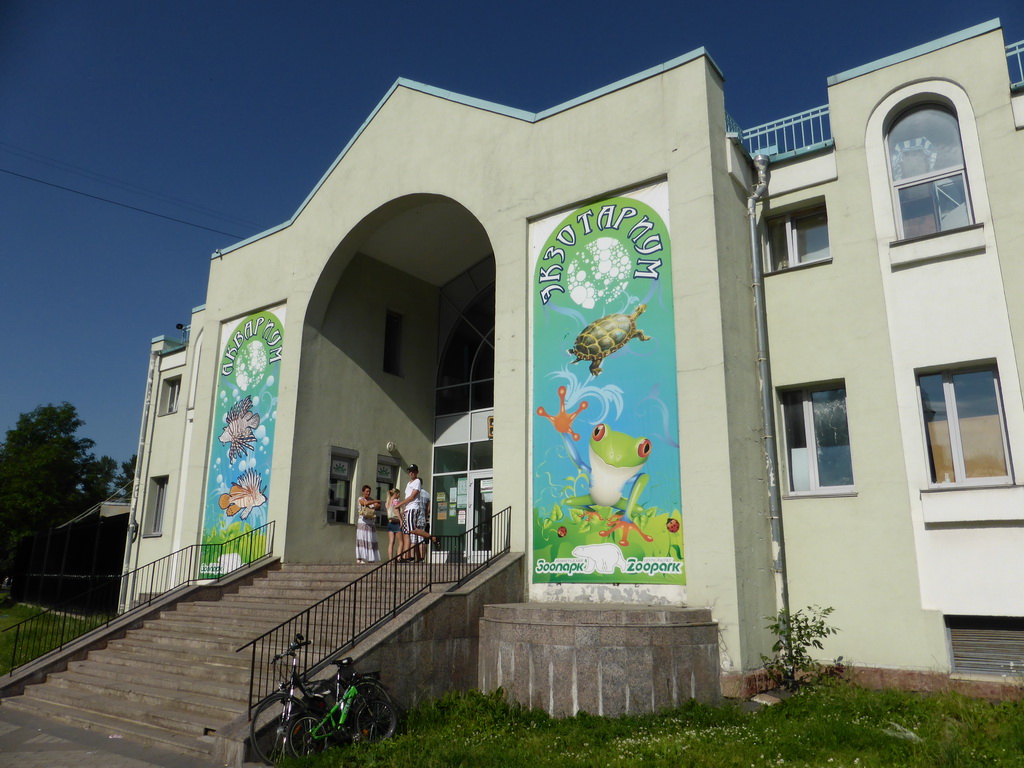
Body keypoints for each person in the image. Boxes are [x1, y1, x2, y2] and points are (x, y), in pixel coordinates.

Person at [398, 464, 438, 562]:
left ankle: (431, 537)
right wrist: (403, 510)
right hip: (409, 509)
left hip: (413, 509)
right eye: (410, 471)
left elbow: (412, 497)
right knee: (406, 533)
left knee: (412, 530)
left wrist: (399, 504)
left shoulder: (417, 482)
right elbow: (408, 497)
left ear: (416, 472)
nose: (411, 473)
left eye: (413, 471)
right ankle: (406, 556)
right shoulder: (409, 484)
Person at [355, 484, 381, 564]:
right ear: (363, 492)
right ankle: (359, 558)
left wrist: (375, 503)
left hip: (370, 522)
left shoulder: (371, 499)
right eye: (367, 491)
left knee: (370, 539)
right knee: (362, 539)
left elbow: (378, 506)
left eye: (369, 491)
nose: (368, 493)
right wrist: (375, 501)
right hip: (363, 522)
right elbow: (364, 503)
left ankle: (371, 558)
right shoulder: (360, 498)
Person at [385, 488, 403, 560]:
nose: (399, 496)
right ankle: (398, 558)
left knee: (391, 542)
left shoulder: (388, 502)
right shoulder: (396, 501)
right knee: (401, 542)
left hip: (390, 522)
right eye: (399, 494)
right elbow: (396, 510)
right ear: (396, 494)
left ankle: (390, 559)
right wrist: (401, 520)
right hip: (396, 522)